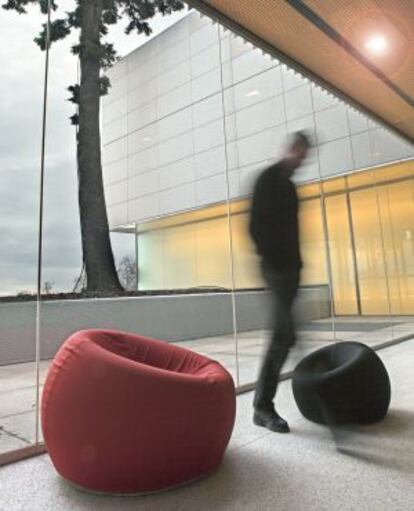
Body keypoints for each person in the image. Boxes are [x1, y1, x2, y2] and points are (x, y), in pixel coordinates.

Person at [249, 131, 311, 433]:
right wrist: (274, 262)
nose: (303, 161)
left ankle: (262, 406)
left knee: (284, 337)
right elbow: (255, 227)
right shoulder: (268, 180)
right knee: (283, 336)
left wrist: (297, 266)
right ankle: (262, 407)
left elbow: (293, 233)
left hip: (291, 273)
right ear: (292, 149)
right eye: (301, 154)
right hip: (275, 271)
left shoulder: (290, 187)